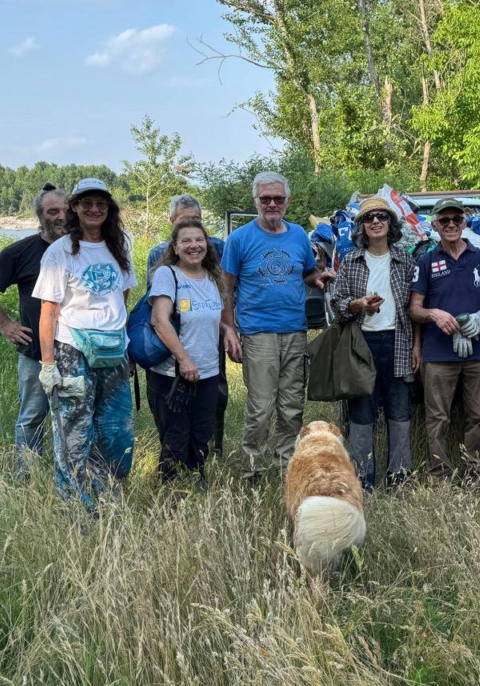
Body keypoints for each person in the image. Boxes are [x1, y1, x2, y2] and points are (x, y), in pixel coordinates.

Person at [33, 178, 138, 511]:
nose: (95, 210)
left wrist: (125, 344)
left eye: (101, 204)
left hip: (114, 351)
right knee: (74, 433)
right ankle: (76, 508)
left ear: (109, 210)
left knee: (117, 431)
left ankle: (108, 497)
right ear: (74, 208)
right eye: (87, 203)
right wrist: (48, 364)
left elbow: (122, 296)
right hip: (71, 351)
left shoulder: (119, 246)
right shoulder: (59, 252)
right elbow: (48, 312)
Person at [221, 171, 334, 479]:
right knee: (260, 408)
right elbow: (226, 289)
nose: (272, 204)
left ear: (288, 201)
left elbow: (306, 274)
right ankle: (252, 468)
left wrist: (318, 277)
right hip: (258, 333)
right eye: (265, 199)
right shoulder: (240, 239)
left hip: (295, 331)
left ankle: (285, 466)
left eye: (278, 198)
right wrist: (229, 329)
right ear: (255, 201)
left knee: (292, 405)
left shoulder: (298, 234)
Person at [0, 183, 68, 479]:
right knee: (32, 418)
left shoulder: (83, 248)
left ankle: (69, 476)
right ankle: (25, 479)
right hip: (35, 353)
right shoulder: (22, 251)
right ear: (41, 216)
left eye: (66, 210)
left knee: (73, 420)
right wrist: (5, 324)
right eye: (53, 211)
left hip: (77, 351)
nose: (61, 217)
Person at [329, 195, 419, 490]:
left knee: (400, 414)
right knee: (362, 415)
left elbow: (416, 308)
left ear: (391, 224)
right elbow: (337, 304)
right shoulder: (351, 261)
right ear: (362, 227)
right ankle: (362, 482)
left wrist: (417, 346)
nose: (376, 221)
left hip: (399, 342)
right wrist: (358, 305)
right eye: (369, 218)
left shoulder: (406, 260)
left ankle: (399, 480)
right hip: (362, 344)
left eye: (382, 216)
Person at [409, 197, 480, 481]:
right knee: (437, 417)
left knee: (477, 416)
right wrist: (433, 314)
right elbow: (414, 308)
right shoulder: (426, 261)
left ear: (464, 223)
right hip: (438, 353)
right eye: (444, 220)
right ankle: (439, 472)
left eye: (456, 220)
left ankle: (475, 470)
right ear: (434, 224)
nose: (451, 225)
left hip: (478, 351)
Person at [146, 218, 232, 483]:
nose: (194, 246)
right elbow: (159, 320)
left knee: (201, 433)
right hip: (173, 374)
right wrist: (184, 360)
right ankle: (171, 492)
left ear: (206, 243)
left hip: (206, 371)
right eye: (186, 241)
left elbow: (204, 314)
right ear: (175, 246)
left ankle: (196, 485)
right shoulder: (167, 274)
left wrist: (227, 329)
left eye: (199, 239)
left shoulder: (212, 277)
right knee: (176, 437)